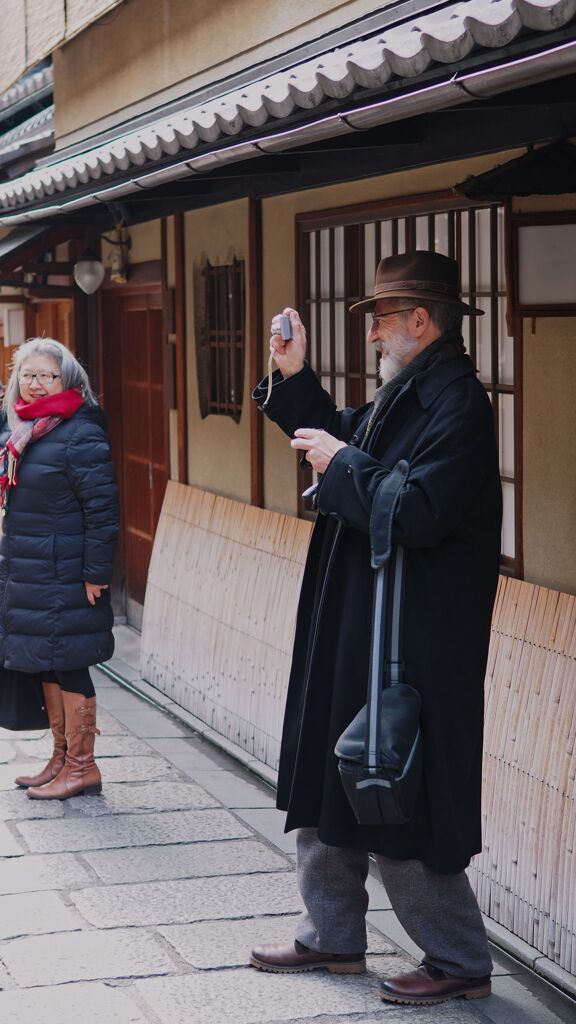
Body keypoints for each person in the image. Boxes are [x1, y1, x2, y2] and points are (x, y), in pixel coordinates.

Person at [250, 251, 502, 1006]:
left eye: (382, 321)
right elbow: (338, 437)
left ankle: (458, 958)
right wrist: (293, 377)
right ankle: (333, 934)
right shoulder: (408, 392)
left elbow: (419, 510)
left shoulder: (457, 404)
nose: (373, 337)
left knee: (400, 781)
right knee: (333, 766)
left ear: (419, 323)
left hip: (415, 633)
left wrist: (342, 464)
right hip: (365, 616)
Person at [0, 337, 119, 800]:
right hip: (30, 570)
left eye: (46, 375)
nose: (34, 384)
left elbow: (103, 509)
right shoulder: (18, 428)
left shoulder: (80, 430)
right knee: (47, 662)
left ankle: (82, 766)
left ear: (67, 380)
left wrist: (96, 572)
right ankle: (61, 757)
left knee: (69, 663)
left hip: (67, 572)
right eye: (27, 375)